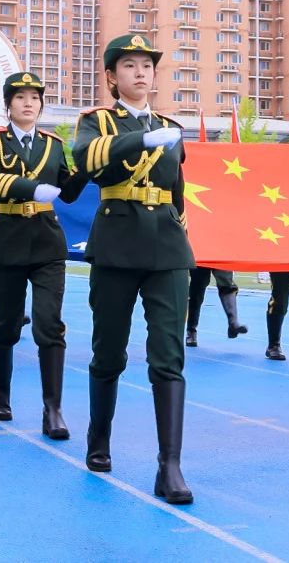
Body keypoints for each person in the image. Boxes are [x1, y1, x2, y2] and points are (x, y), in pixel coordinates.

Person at [72, 34, 195, 505]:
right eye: (129, 65)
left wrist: (180, 230)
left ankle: (170, 466)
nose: (140, 72)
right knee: (109, 350)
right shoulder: (97, 122)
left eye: (146, 65)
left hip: (166, 246)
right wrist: (140, 139)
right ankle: (99, 437)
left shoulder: (170, 126)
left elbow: (177, 190)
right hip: (118, 241)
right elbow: (87, 160)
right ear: (111, 76)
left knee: (168, 354)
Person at [0, 70, 89, 435]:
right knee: (6, 324)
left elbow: (67, 192)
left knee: (49, 324)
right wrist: (29, 188)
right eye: (21, 97)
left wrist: (88, 167)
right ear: (8, 104)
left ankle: (53, 410)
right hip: (7, 238)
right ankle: (0, 396)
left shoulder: (53, 144)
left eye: (35, 98)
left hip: (46, 241)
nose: (29, 103)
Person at [185, 267, 248, 347]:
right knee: (198, 286)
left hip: (221, 258)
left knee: (226, 283)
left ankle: (233, 323)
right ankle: (191, 330)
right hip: (201, 260)